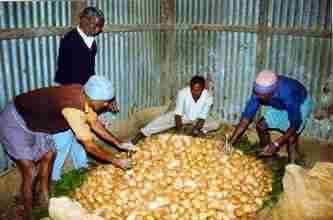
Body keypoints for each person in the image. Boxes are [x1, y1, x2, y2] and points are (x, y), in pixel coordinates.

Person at [0, 75, 132, 216]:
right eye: (105, 102)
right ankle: (28, 211)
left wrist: (119, 143)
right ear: (93, 98)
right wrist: (117, 161)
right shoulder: (73, 108)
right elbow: (90, 146)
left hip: (36, 121)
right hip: (15, 119)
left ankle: (44, 197)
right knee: (30, 170)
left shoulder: (85, 96)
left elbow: (95, 124)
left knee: (49, 154)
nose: (107, 105)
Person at [225, 70, 313, 163]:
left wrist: (276, 144)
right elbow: (246, 119)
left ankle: (292, 169)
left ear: (272, 92)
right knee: (261, 126)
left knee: (292, 138)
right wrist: (231, 142)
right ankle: (267, 155)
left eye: (263, 96)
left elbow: (295, 124)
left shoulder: (288, 93)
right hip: (279, 104)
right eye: (257, 94)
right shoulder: (258, 93)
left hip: (300, 103)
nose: (259, 98)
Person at [131, 75, 220, 144]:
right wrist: (179, 130)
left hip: (197, 119)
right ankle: (140, 135)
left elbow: (202, 117)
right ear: (190, 87)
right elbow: (178, 114)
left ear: (203, 88)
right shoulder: (183, 93)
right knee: (160, 121)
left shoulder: (208, 96)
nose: (196, 93)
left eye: (198, 90)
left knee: (215, 124)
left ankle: (192, 129)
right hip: (183, 116)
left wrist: (195, 131)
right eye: (193, 90)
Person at [54, 7, 104, 85]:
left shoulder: (90, 39)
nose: (97, 30)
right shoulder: (69, 40)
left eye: (100, 26)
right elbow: (67, 72)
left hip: (85, 85)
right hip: (71, 86)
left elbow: (89, 68)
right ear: (84, 21)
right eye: (95, 25)